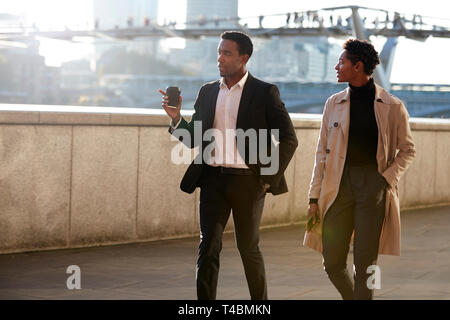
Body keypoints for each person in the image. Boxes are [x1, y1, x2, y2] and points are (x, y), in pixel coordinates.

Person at [159, 31, 298, 300]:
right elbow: (193, 138)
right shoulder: (208, 91)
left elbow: (289, 139)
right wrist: (176, 118)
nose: (219, 58)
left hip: (248, 182)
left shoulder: (264, 92)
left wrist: (268, 178)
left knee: (248, 249)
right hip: (212, 179)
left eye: (227, 53)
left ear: (243, 58)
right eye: (219, 52)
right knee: (208, 246)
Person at [303, 39, 415, 300]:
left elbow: (408, 150)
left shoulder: (392, 106)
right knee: (332, 262)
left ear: (358, 66)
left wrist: (386, 179)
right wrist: (313, 196)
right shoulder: (333, 103)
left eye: (342, 62)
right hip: (337, 186)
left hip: (373, 188)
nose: (336, 66)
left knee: (366, 261)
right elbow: (321, 152)